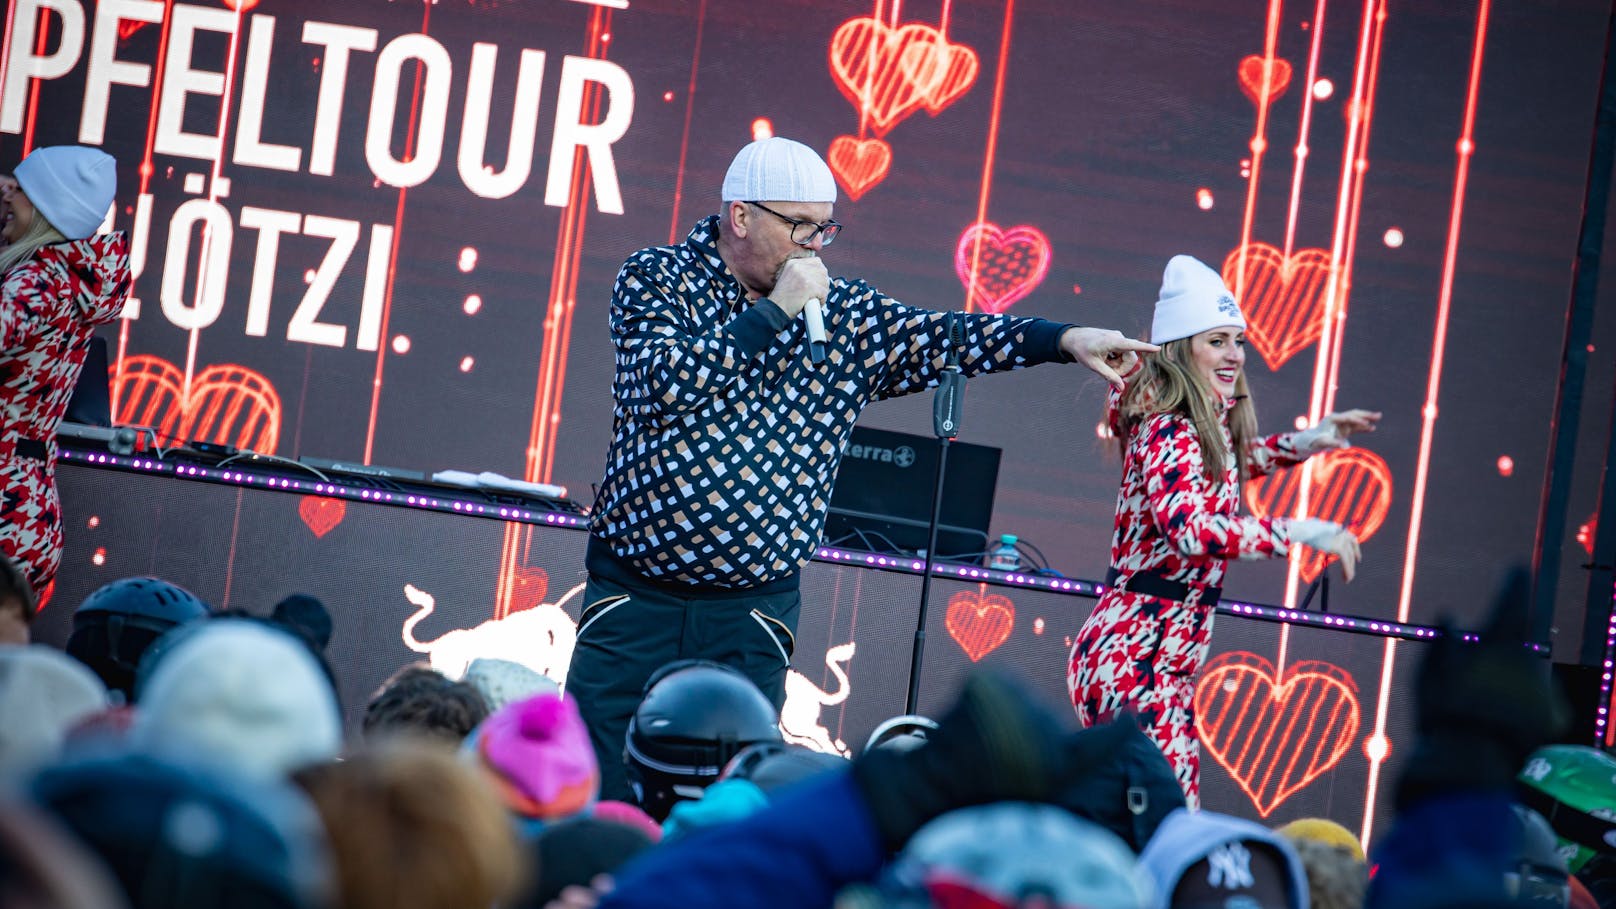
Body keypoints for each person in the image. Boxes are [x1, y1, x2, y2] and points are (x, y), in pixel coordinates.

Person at [574, 136, 1156, 800]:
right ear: (741, 216)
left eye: (825, 226)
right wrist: (774, 314)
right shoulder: (657, 278)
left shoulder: (843, 316)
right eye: (799, 225)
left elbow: (946, 335)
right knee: (599, 781)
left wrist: (1061, 339)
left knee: (729, 798)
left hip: (750, 610)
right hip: (635, 597)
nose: (816, 243)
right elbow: (665, 382)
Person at [1067, 254, 1378, 807]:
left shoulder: (1187, 428)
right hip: (1135, 662)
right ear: (1183, 347)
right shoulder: (1169, 427)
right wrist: (1299, 532)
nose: (1236, 354)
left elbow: (1227, 462)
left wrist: (1308, 442)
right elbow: (1190, 530)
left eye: (1239, 340)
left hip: (1156, 662)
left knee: (1150, 826)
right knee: (1162, 825)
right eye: (1218, 340)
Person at [0, 146, 127, 595]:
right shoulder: (65, 280)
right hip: (26, 512)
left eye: (18, 187)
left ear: (42, 207)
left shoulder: (34, 283)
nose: (7, 196)